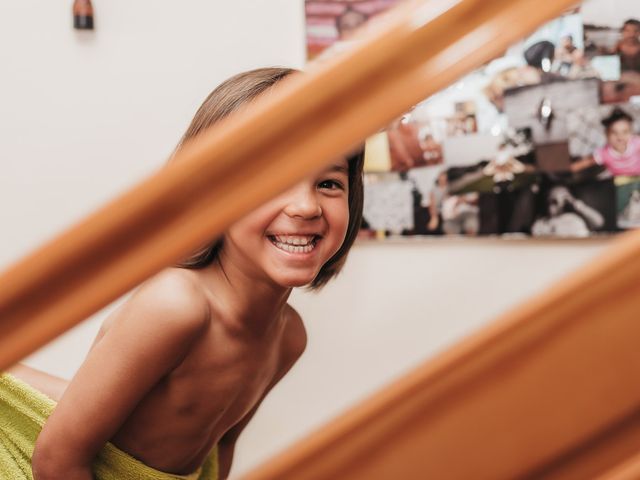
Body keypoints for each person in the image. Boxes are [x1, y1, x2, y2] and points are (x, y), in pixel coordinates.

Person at [0, 67, 365, 480]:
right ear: (212, 192)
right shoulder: (175, 305)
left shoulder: (289, 337)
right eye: (274, 179)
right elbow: (57, 459)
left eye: (330, 184)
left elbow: (220, 445)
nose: (305, 206)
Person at [570, 107, 640, 176]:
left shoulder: (636, 143)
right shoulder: (604, 153)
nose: (620, 137)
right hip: (620, 182)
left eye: (625, 132)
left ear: (631, 133)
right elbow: (586, 163)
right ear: (607, 135)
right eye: (614, 132)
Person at [532, 185, 604, 237]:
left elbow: (599, 223)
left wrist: (576, 204)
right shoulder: (541, 223)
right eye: (552, 198)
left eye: (564, 196)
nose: (558, 200)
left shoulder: (576, 219)